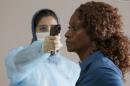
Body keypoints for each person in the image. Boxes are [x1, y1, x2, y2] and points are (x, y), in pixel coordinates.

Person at [5, 9, 80, 86]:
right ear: (34, 31)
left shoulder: (72, 68)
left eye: (53, 28)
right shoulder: (20, 58)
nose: (49, 33)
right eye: (43, 28)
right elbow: (16, 63)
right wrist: (42, 48)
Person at [65, 1, 130, 86]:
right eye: (69, 27)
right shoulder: (90, 68)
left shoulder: (103, 70)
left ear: (95, 32)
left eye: (75, 28)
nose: (66, 34)